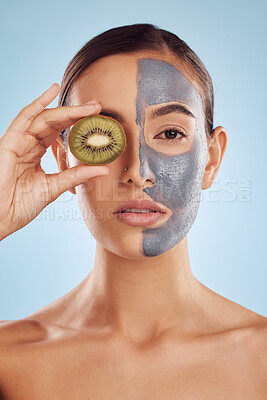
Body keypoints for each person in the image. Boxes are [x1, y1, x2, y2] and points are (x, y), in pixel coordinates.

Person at [0, 23, 266, 399]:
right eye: (104, 135)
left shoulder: (261, 360)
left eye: (170, 133)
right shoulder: (8, 361)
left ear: (211, 159)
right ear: (64, 159)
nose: (138, 173)